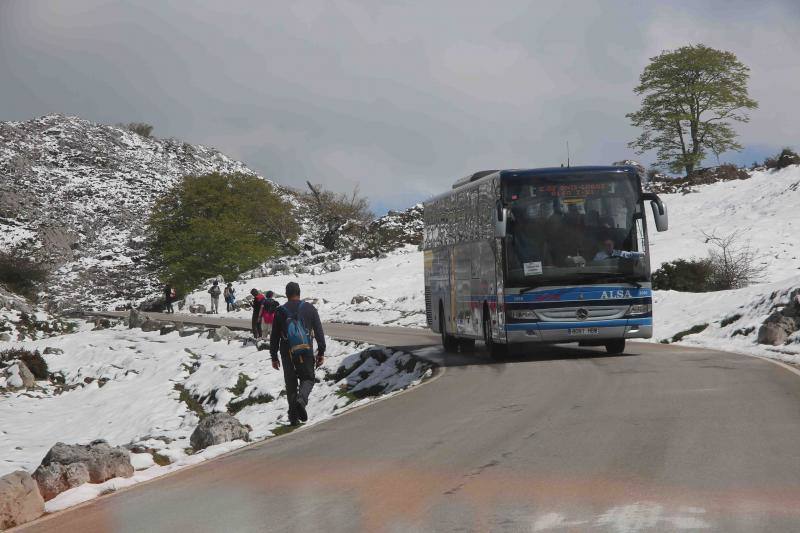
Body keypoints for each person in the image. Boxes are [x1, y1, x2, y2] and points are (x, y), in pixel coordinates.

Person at [270, 282, 325, 426]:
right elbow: (319, 331)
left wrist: (274, 357)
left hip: (287, 351)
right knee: (308, 378)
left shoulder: (280, 311)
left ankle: (293, 417)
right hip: (305, 349)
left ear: (287, 294)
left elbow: (274, 335)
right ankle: (301, 401)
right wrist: (321, 351)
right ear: (299, 293)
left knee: (291, 382)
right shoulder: (309, 308)